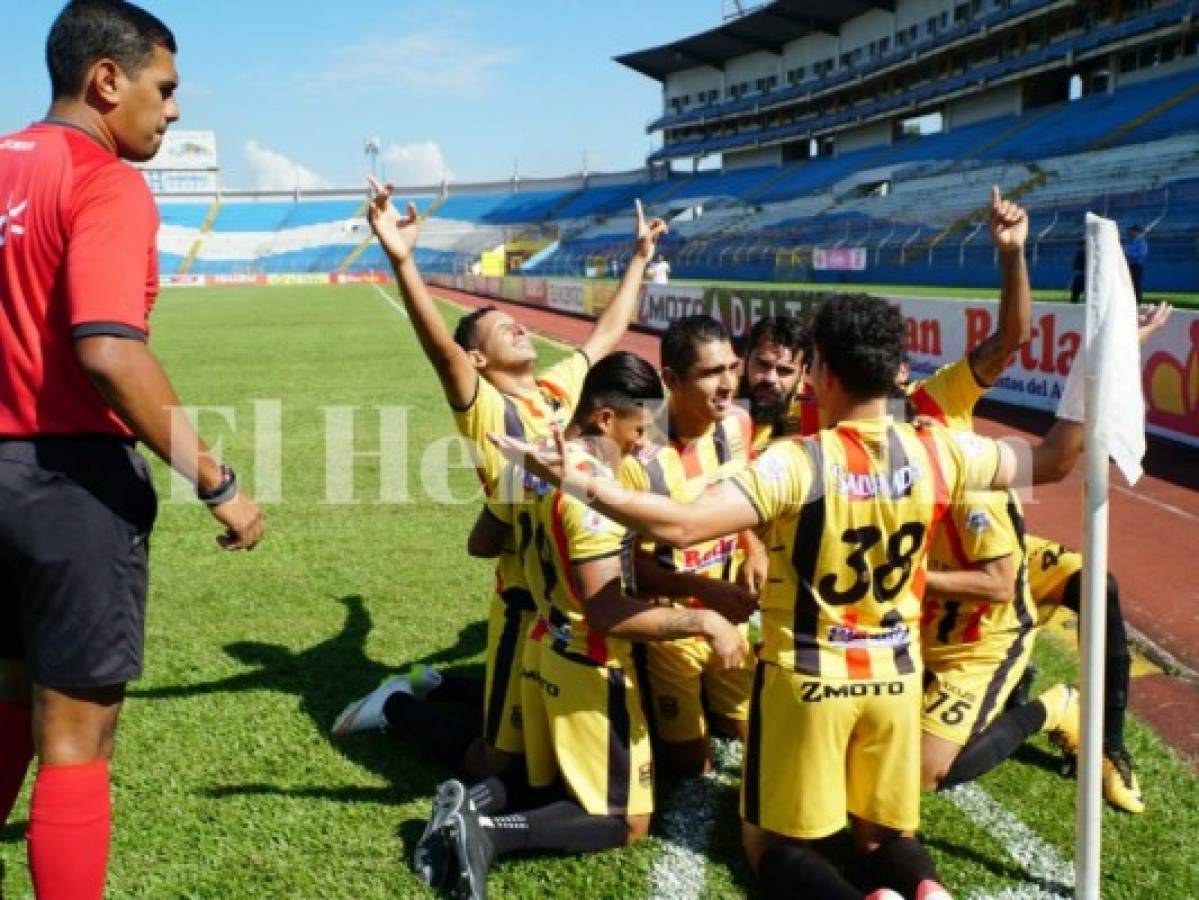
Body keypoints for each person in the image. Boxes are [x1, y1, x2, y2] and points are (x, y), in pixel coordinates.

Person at [493, 293, 1088, 899]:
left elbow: (679, 525)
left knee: (770, 845)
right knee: (883, 834)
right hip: (897, 675)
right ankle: (929, 891)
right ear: (894, 372)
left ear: (821, 373)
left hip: (809, 678)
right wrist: (1096, 371)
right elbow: (1057, 458)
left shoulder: (796, 462)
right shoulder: (941, 447)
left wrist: (578, 481)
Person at [0, 4, 265, 898]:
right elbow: (109, 350)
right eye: (166, 87)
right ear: (106, 80)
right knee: (73, 738)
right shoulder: (104, 180)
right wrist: (217, 481)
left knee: (4, 696)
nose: (175, 110)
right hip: (66, 484)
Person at [331, 188, 667, 781]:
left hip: (566, 599)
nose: (516, 328)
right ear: (478, 361)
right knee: (500, 769)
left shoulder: (560, 389)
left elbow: (606, 334)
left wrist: (639, 257)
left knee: (541, 742)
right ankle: (399, 706)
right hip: (525, 605)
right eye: (500, 328)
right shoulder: (484, 406)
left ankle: (439, 682)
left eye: (515, 323)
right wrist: (404, 262)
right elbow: (440, 351)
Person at [417, 352, 748, 899]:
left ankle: (471, 802)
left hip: (541, 641)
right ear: (603, 419)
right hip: (590, 663)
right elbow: (607, 611)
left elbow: (483, 543)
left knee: (544, 777)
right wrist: (704, 619)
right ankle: (486, 834)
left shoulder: (535, 461)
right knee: (626, 821)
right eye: (638, 430)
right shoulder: (591, 496)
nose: (644, 443)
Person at [617, 315, 759, 775]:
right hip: (671, 628)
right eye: (710, 373)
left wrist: (753, 547)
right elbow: (623, 571)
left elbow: (744, 503)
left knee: (750, 736)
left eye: (731, 367)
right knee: (689, 768)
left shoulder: (738, 426)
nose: (727, 384)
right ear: (671, 380)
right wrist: (702, 589)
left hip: (732, 615)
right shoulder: (636, 454)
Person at [738, 314, 817, 453]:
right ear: (746, 358)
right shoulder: (724, 399)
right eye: (762, 364)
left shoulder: (820, 410)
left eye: (784, 370)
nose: (770, 378)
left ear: (803, 372)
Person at [1124, 225, 1148, 304]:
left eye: (1131, 231)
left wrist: (1128, 253)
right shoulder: (1129, 242)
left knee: (1136, 284)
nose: (1129, 233)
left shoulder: (1142, 242)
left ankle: (1138, 301)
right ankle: (1129, 301)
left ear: (1136, 232)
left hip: (1137, 266)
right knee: (1128, 283)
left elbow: (1141, 254)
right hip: (1128, 265)